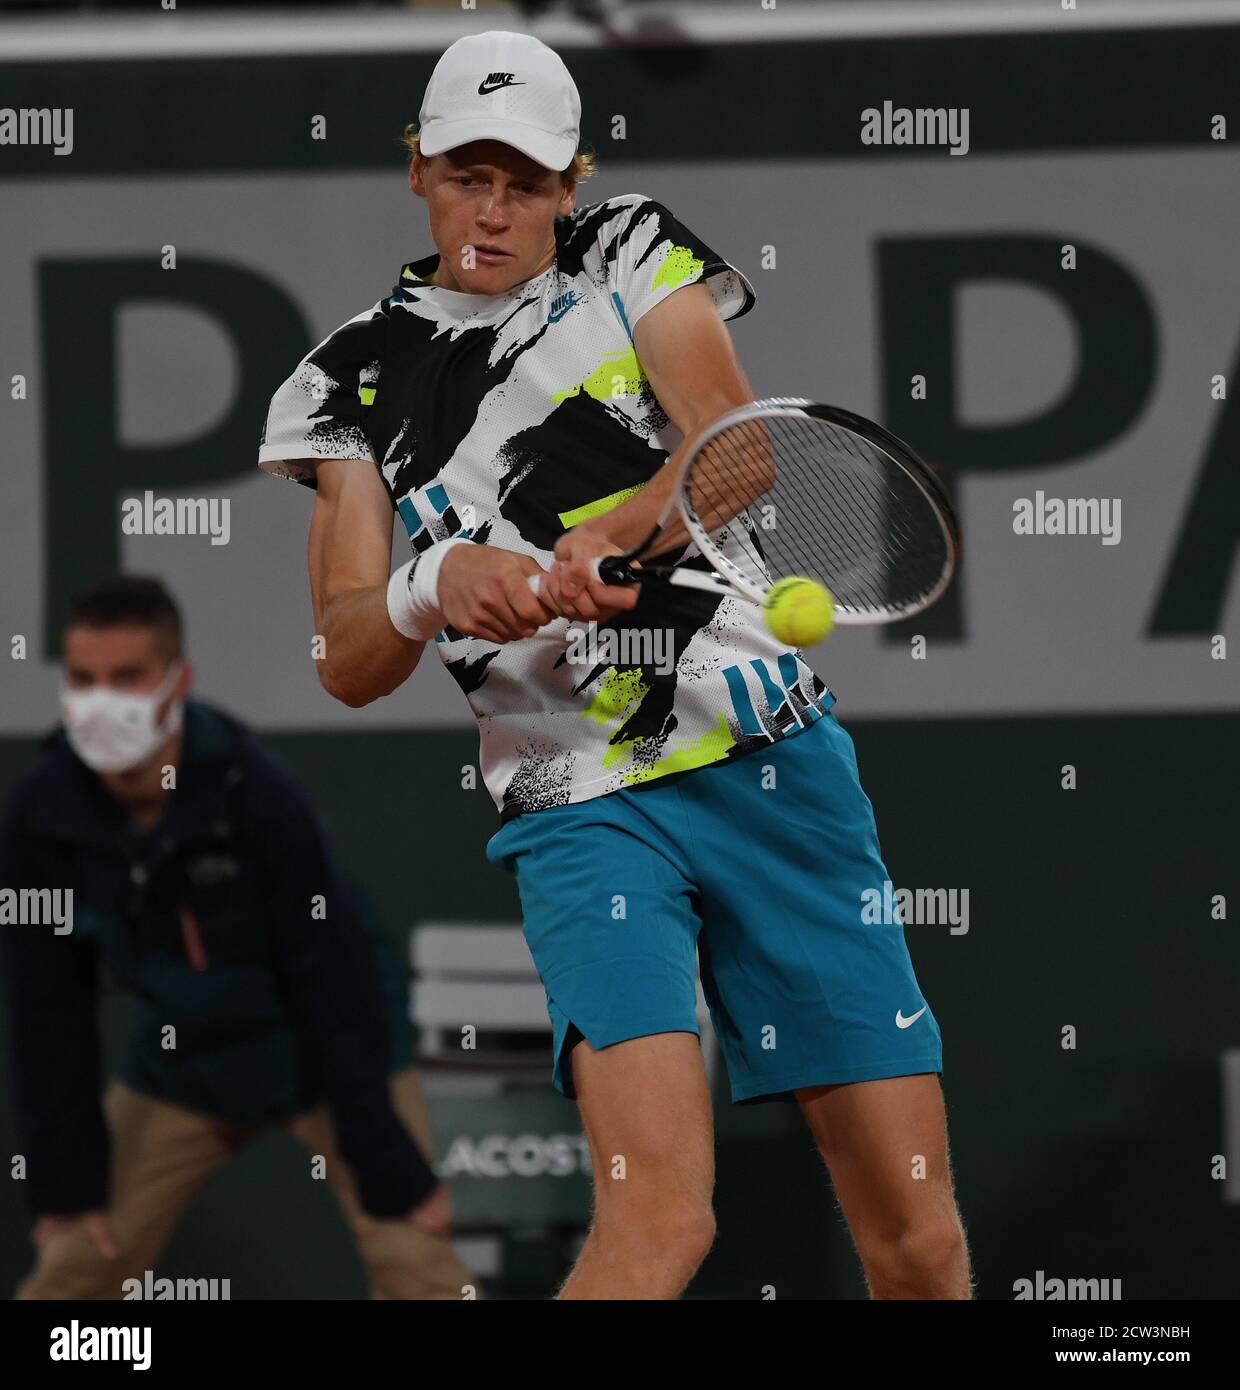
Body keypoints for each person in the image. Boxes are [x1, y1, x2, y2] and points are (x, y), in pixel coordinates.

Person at [258, 29, 970, 1299]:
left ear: (570, 185)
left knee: (915, 1244)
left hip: (774, 768)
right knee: (660, 1229)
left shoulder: (630, 247)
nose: (494, 209)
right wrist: (430, 583)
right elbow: (346, 654)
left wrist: (620, 529)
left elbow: (738, 451)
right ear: (415, 167)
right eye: (468, 174)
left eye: (525, 183)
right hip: (579, 811)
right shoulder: (345, 382)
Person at [0, 575, 476, 1300]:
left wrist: (387, 1161)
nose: (103, 702)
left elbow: (335, 974)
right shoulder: (42, 813)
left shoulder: (253, 790)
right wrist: (65, 1187)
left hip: (326, 1054)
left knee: (416, 1257)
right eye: (85, 680)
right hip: (182, 1065)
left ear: (177, 680)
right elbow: (47, 1010)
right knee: (75, 1267)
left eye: (127, 677)